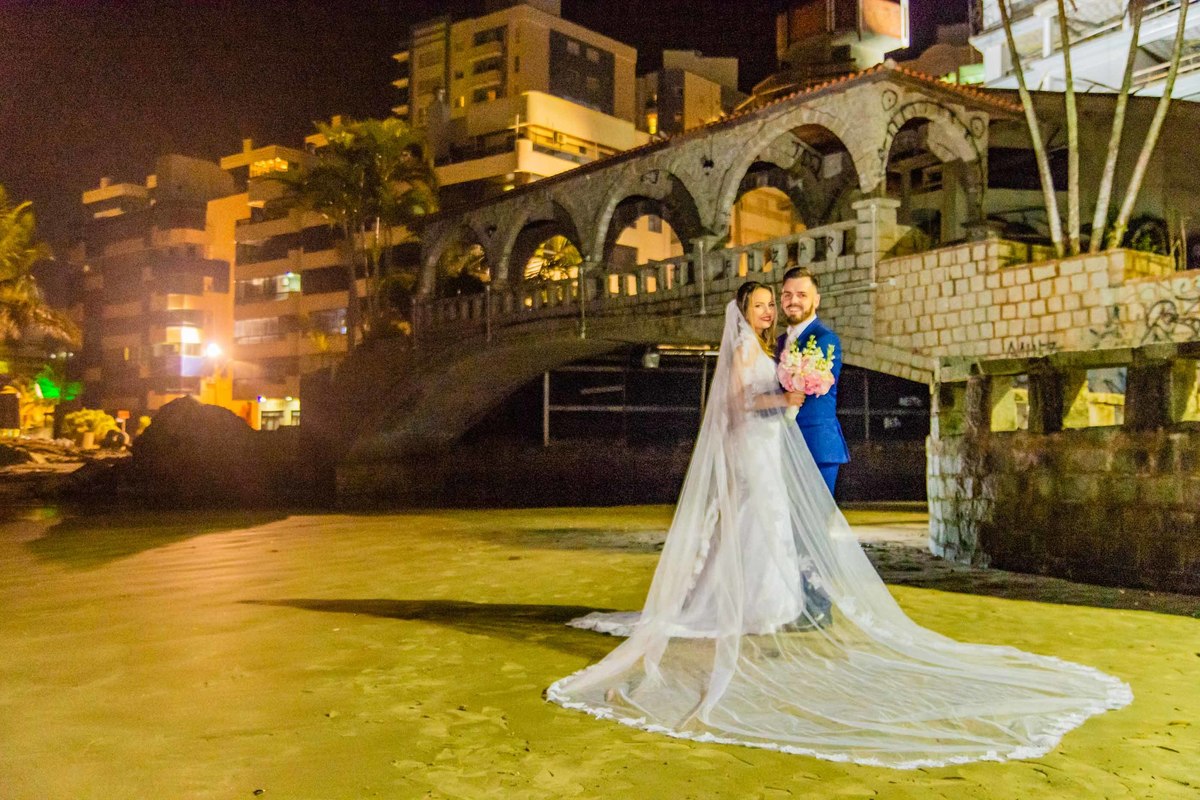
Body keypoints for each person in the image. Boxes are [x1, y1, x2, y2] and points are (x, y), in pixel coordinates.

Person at [546, 282, 1131, 769]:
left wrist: (794, 394)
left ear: (810, 299)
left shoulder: (811, 341)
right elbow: (735, 406)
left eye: (781, 301)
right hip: (762, 445)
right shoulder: (754, 350)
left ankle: (783, 604)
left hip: (788, 446)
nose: (775, 309)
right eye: (767, 305)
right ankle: (757, 604)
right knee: (763, 524)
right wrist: (785, 399)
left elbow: (797, 390)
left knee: (782, 527)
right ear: (746, 315)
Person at [777, 266, 848, 496]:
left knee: (814, 527)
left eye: (801, 295)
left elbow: (806, 388)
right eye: (787, 295)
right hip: (781, 447)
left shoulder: (825, 338)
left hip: (816, 445)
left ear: (816, 300)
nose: (793, 301)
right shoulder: (778, 342)